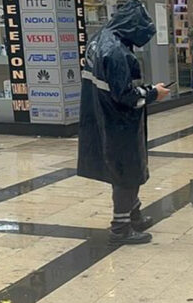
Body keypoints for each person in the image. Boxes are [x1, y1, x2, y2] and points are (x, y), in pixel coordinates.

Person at [78, 0, 170, 245]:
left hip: (101, 117)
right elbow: (126, 95)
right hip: (118, 123)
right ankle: (120, 227)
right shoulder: (117, 51)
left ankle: (133, 214)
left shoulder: (99, 40)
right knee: (126, 172)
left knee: (123, 170)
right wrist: (153, 93)